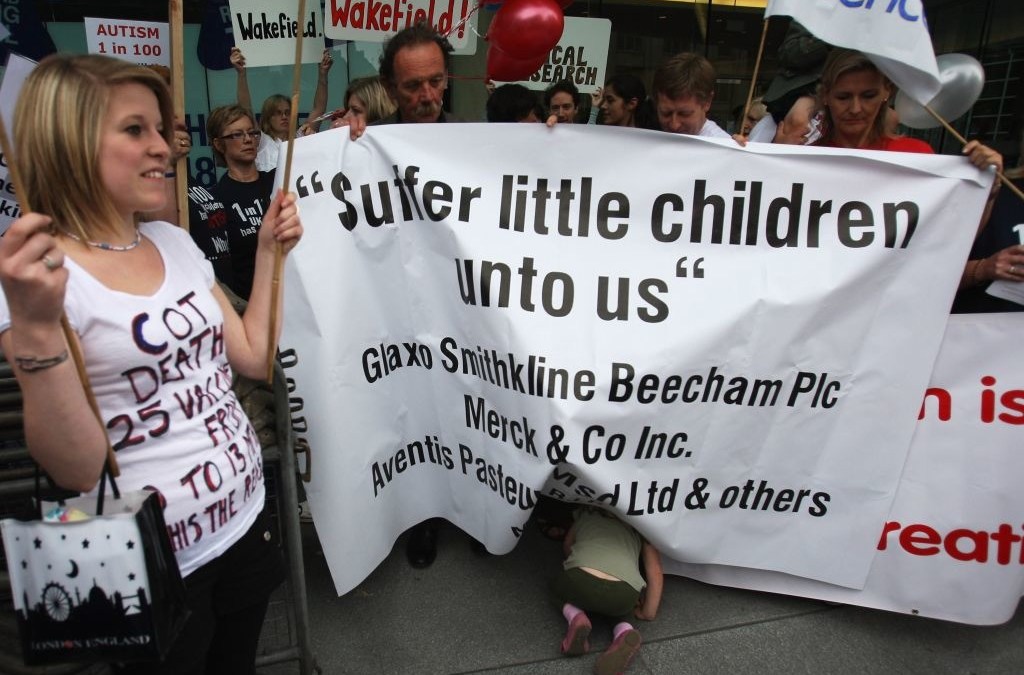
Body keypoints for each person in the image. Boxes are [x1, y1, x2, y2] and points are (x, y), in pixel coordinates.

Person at [0, 53, 302, 674]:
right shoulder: (40, 277)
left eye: (161, 129)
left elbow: (252, 355)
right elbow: (78, 468)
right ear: (70, 142)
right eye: (135, 129)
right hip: (149, 565)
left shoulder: (173, 240)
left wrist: (271, 253)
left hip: (247, 522)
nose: (164, 147)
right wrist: (35, 327)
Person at [552, 507, 663, 675]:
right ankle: (624, 630)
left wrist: (576, 562)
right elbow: (655, 572)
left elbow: (568, 545)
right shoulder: (641, 528)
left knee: (556, 589)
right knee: (620, 607)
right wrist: (648, 612)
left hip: (581, 580)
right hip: (623, 591)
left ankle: (576, 616)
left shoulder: (586, 514)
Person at [207, 104, 276, 299]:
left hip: (293, 298)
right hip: (249, 304)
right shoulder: (216, 199)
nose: (248, 139)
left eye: (252, 133)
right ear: (219, 144)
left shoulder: (278, 181)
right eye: (237, 134)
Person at [231, 46, 333, 170]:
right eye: (278, 113)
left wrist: (323, 74)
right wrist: (241, 74)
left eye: (287, 112)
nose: (284, 117)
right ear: (268, 118)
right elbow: (245, 109)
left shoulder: (301, 136)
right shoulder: (262, 142)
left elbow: (319, 108)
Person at [650, 52, 731, 138]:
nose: (674, 125)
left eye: (684, 114)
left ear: (707, 102)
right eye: (666, 113)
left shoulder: (722, 144)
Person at [589, 74, 653, 129]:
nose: (603, 106)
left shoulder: (643, 137)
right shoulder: (602, 134)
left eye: (610, 100)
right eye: (603, 100)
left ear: (632, 103)